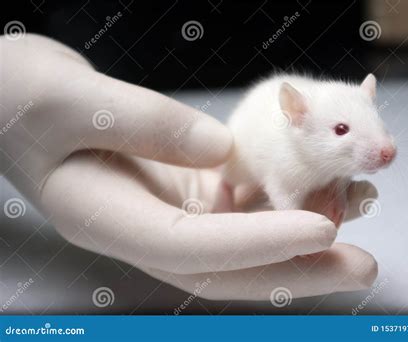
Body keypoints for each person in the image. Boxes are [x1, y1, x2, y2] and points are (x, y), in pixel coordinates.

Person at [0, 34, 378, 300]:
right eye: (342, 131)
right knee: (246, 177)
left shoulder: (336, 106)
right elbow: (281, 181)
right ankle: (229, 190)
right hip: (120, 52)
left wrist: (337, 188)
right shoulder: (288, 139)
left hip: (329, 45)